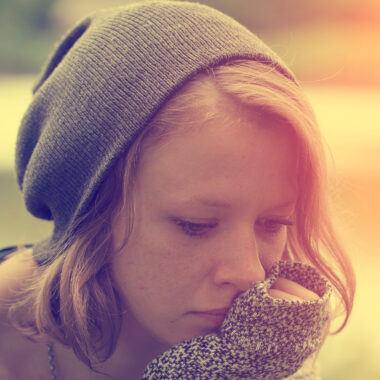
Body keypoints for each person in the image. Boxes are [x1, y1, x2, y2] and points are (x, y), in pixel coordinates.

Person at [0, 1, 355, 379]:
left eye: (272, 223)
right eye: (196, 225)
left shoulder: (260, 349)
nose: (251, 274)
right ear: (89, 205)